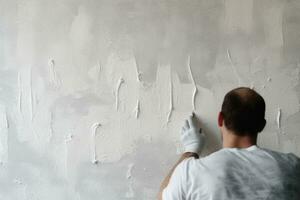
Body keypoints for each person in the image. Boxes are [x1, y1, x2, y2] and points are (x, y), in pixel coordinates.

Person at [158, 87, 300, 200]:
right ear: (262, 126)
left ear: (220, 119)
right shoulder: (294, 166)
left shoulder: (191, 172)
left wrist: (191, 149)